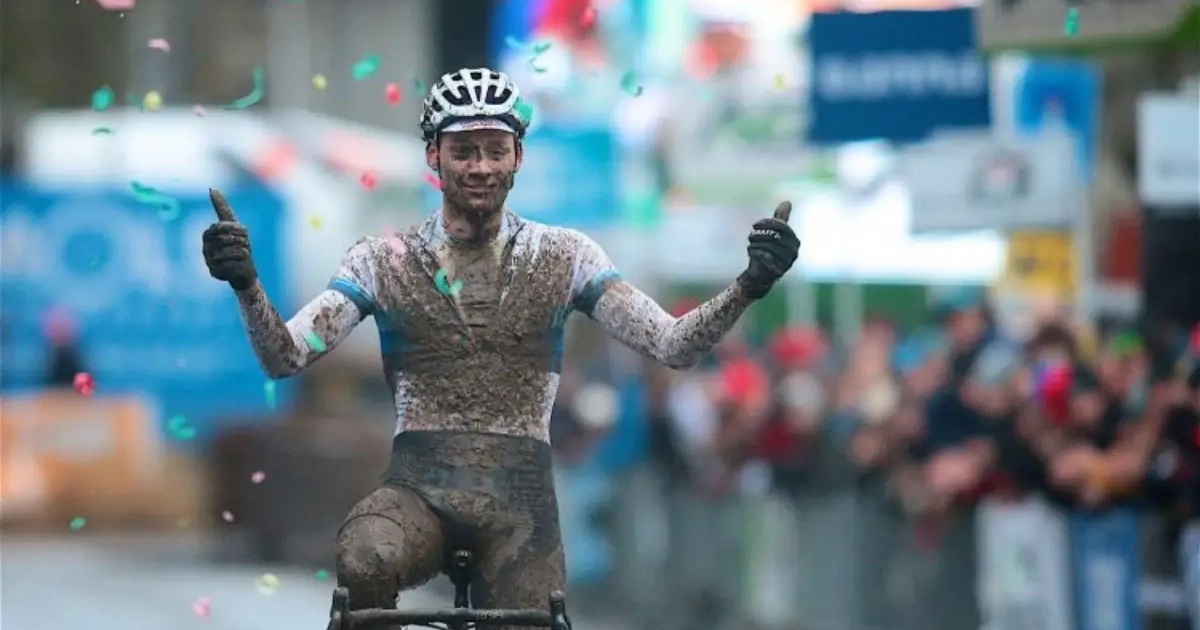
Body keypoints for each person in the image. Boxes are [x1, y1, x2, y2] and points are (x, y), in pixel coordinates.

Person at [199, 67, 800, 628]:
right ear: (434, 156)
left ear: (518, 156)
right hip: (417, 493)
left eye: (495, 149)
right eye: (463, 151)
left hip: (520, 503)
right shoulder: (381, 259)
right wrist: (247, 286)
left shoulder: (566, 256)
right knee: (365, 556)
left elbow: (672, 345)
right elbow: (285, 356)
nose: (481, 167)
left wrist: (749, 287)